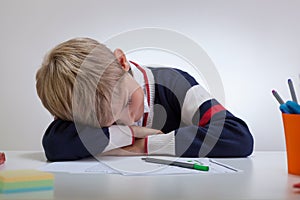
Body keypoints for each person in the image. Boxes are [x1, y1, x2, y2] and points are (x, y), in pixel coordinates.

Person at [36, 37, 254, 161]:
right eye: (110, 124)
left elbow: (237, 136)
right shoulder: (82, 103)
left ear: (122, 62)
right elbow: (55, 146)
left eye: (127, 102)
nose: (128, 119)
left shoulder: (176, 84)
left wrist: (144, 145)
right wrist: (131, 133)